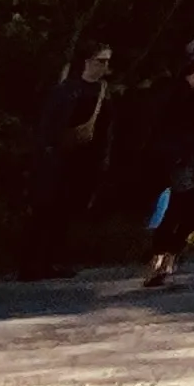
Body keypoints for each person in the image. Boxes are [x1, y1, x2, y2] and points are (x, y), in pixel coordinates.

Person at [22, 45, 117, 280]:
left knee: (67, 212)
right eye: (100, 61)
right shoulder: (66, 90)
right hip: (57, 158)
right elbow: (48, 124)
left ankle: (53, 260)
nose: (104, 66)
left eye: (107, 62)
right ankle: (32, 263)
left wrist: (102, 160)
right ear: (87, 61)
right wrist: (46, 152)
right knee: (45, 211)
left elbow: (106, 130)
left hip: (84, 161)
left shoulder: (104, 92)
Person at [139, 48, 194, 288]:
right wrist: (192, 126)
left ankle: (172, 254)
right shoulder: (173, 94)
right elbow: (161, 126)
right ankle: (157, 258)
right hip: (175, 159)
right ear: (192, 70)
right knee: (175, 208)